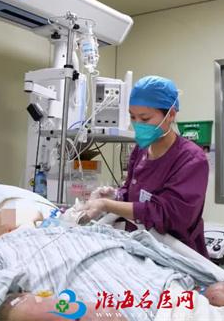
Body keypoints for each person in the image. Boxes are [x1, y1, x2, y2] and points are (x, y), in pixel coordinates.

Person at [0, 208, 224, 321]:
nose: (23, 216)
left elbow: (146, 248)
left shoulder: (80, 231)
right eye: (10, 214)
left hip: (188, 302)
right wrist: (66, 311)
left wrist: (204, 286)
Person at [78, 76, 210, 257]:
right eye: (133, 117)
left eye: (145, 118)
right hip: (140, 249)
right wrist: (116, 195)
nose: (137, 124)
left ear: (171, 115)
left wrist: (107, 205)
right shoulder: (141, 150)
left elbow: (167, 215)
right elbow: (134, 194)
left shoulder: (191, 159)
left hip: (176, 257)